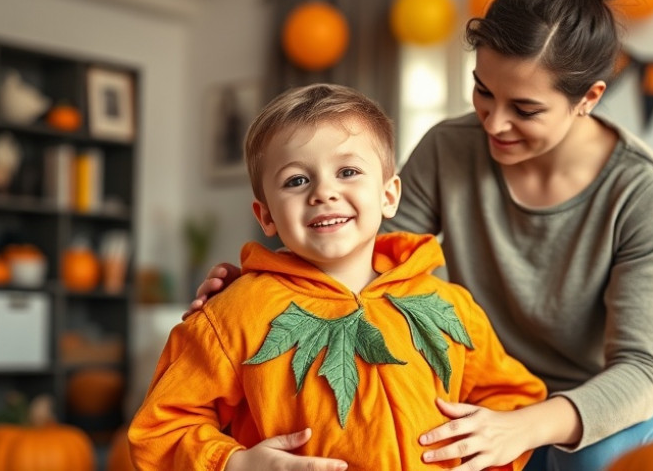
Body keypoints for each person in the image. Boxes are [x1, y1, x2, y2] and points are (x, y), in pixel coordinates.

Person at [190, 0, 653, 469]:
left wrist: (521, 427)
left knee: (578, 461)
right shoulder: (449, 147)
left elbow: (643, 370)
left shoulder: (646, 189)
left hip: (599, 398)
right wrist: (264, 290)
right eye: (483, 91)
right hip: (487, 384)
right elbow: (362, 256)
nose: (495, 123)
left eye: (525, 108)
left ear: (588, 98)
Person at [130, 83, 547, 471]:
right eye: (296, 180)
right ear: (267, 216)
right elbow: (160, 428)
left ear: (389, 195)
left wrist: (485, 452)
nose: (322, 192)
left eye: (347, 172)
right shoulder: (235, 314)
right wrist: (236, 463)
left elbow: (512, 398)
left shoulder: (451, 306)